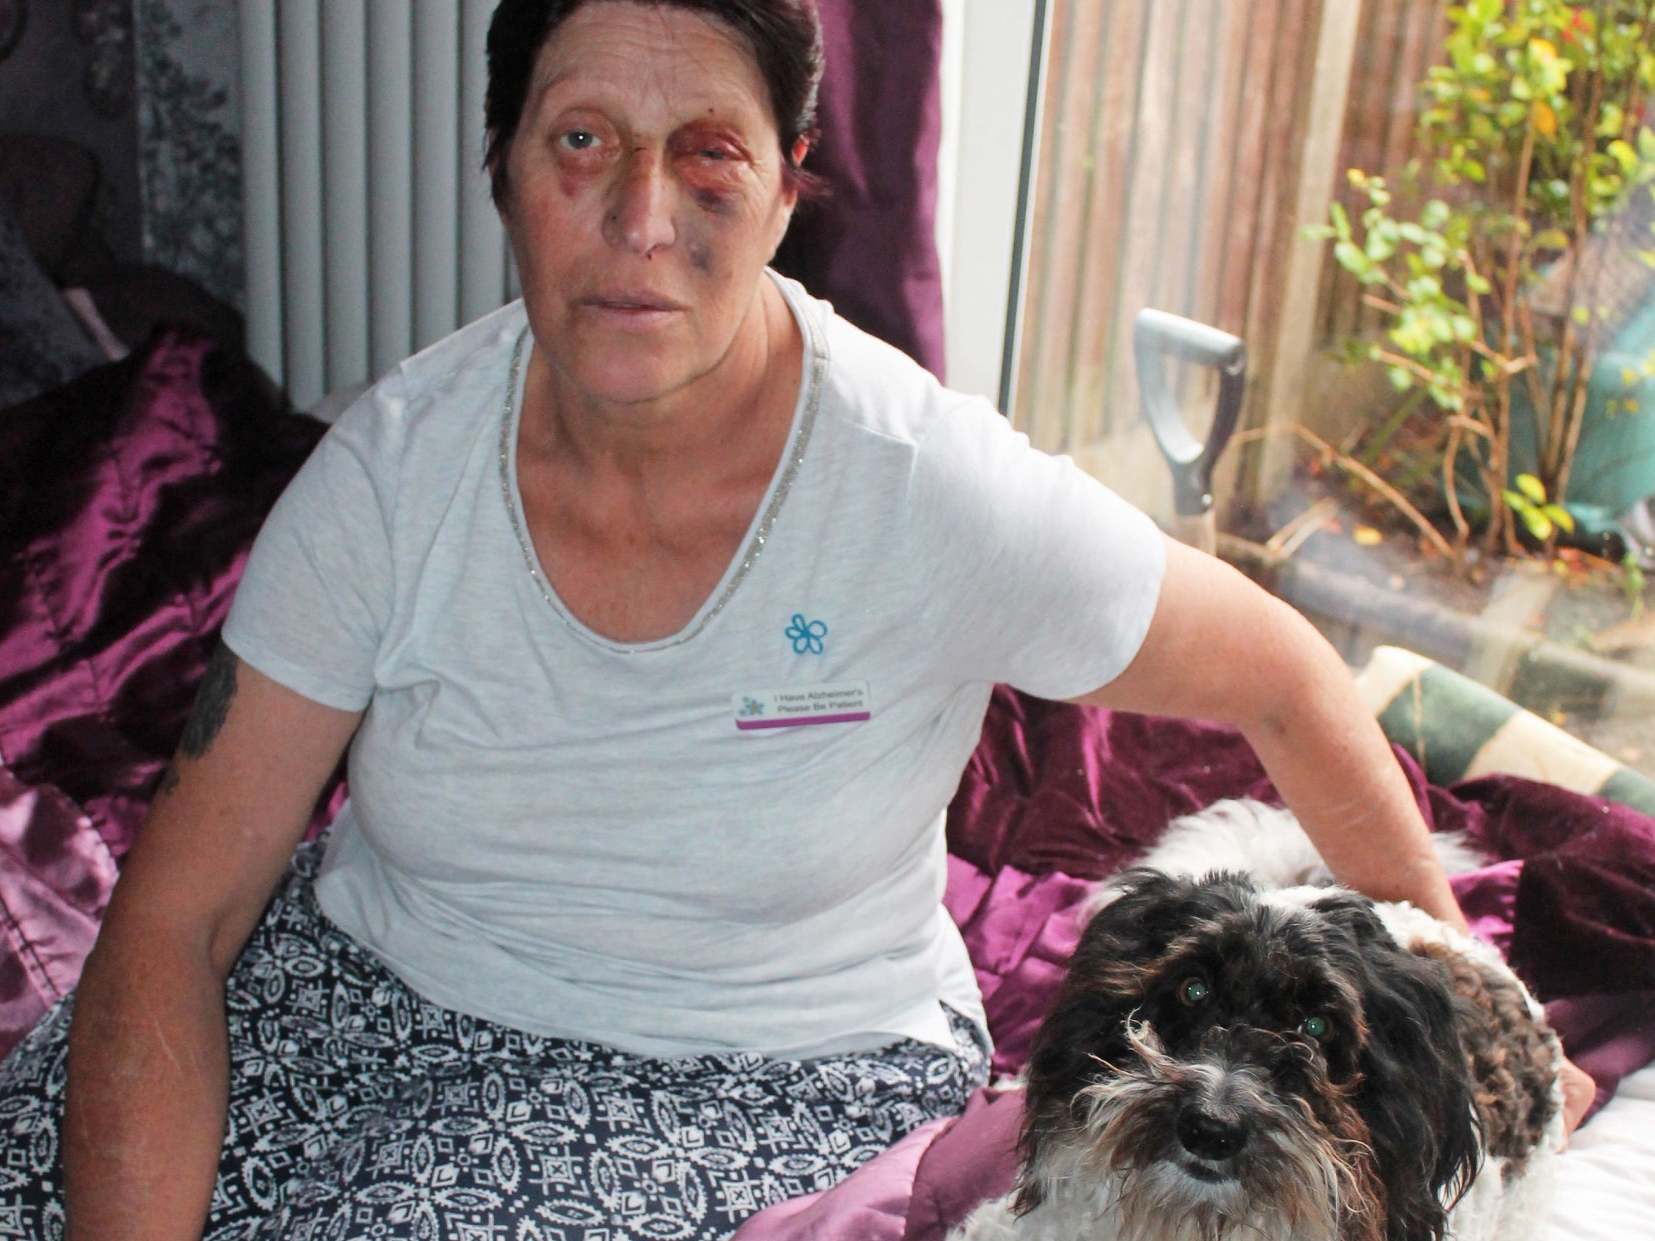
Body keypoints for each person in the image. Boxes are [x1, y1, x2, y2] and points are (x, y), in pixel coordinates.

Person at [0, 1, 1593, 1238]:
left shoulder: (922, 485)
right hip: (373, 989)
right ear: (501, 172)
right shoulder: (389, 474)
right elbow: (179, 916)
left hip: (758, 1062)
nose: (641, 218)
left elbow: (1291, 676)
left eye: (708, 151)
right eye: (579, 144)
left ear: (785, 191)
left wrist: (1465, 990)